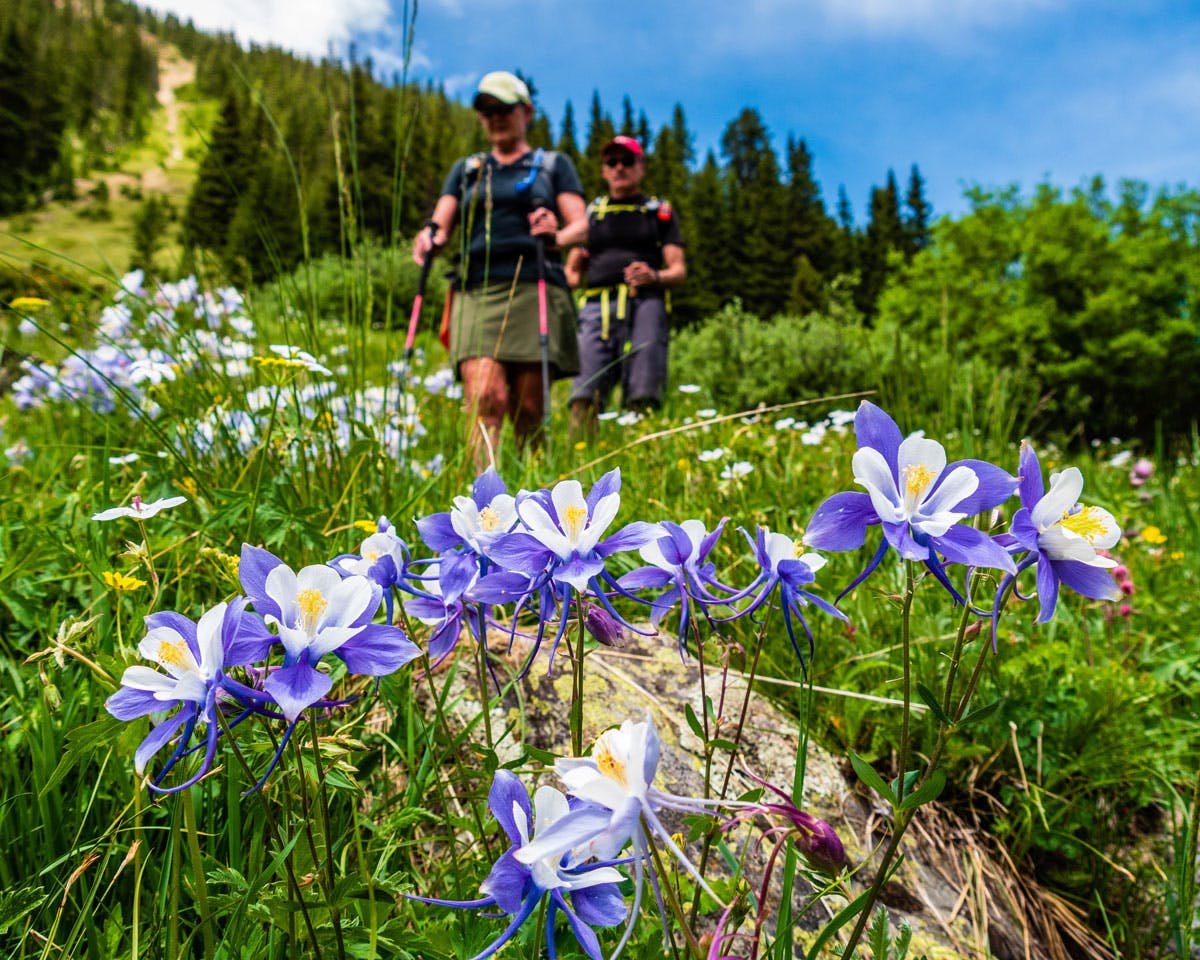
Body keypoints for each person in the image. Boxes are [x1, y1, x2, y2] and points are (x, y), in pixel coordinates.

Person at [413, 71, 587, 460]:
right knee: (484, 397)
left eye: (503, 108)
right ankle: (485, 504)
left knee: (529, 406)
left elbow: (582, 226)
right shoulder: (468, 170)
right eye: (485, 110)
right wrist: (431, 238)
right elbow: (440, 222)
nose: (494, 117)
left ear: (526, 111)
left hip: (535, 284)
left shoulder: (553, 165)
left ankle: (535, 493)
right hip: (477, 289)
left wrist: (557, 234)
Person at [565, 135, 686, 435]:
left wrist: (654, 276)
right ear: (604, 170)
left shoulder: (658, 213)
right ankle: (578, 460)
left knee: (643, 393)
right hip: (596, 309)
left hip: (646, 305)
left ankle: (642, 461)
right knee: (584, 393)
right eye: (612, 162)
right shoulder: (592, 216)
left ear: (641, 166)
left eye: (627, 161)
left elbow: (679, 270)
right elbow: (571, 274)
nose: (620, 168)